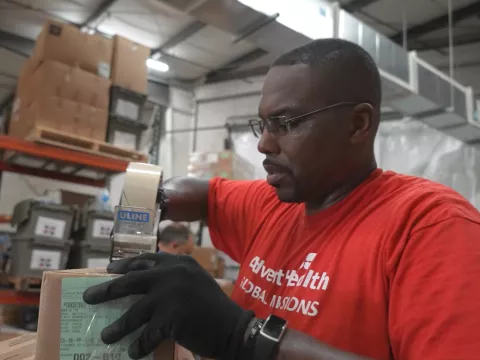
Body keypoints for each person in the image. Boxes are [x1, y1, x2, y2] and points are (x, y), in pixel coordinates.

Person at [83, 38, 480, 360]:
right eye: (263, 123)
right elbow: (205, 193)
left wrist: (247, 337)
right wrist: (153, 199)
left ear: (359, 124)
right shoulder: (274, 204)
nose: (263, 143)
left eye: (286, 123)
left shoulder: (431, 227)